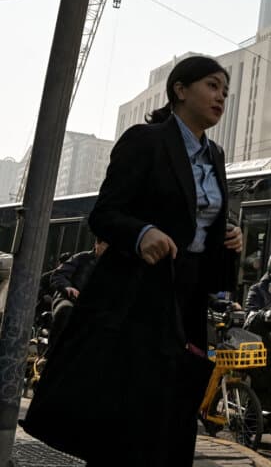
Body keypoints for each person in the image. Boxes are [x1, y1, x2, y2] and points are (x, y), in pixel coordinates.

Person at [25, 55, 242, 466]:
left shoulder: (215, 155)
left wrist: (229, 237)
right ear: (180, 89)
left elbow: (201, 220)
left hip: (188, 294)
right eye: (212, 86)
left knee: (175, 403)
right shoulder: (146, 140)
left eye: (226, 92)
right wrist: (143, 233)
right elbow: (105, 213)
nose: (221, 98)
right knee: (131, 406)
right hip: (138, 293)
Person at [47, 238, 107, 354]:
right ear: (96, 244)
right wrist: (67, 287)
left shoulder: (110, 267)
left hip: (92, 307)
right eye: (106, 246)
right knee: (65, 310)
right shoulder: (81, 258)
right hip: (69, 299)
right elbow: (58, 275)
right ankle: (51, 354)